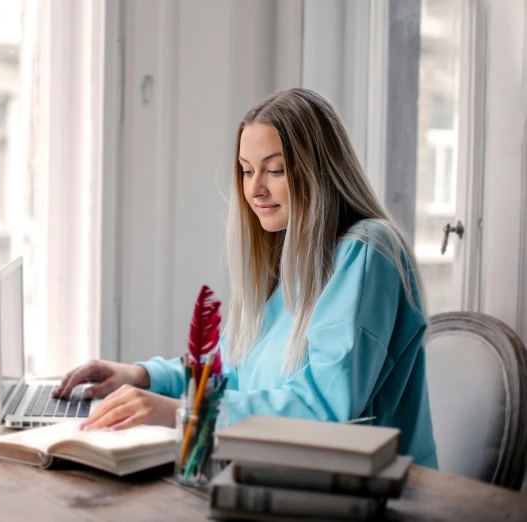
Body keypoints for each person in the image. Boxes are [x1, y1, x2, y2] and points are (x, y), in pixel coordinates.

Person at [53, 88, 438, 468]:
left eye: (274, 170)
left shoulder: (366, 251)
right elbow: (233, 369)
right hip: (285, 480)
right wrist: (140, 376)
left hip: (374, 496)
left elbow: (323, 408)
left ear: (320, 170)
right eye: (247, 170)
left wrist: (183, 411)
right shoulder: (293, 263)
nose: (254, 189)